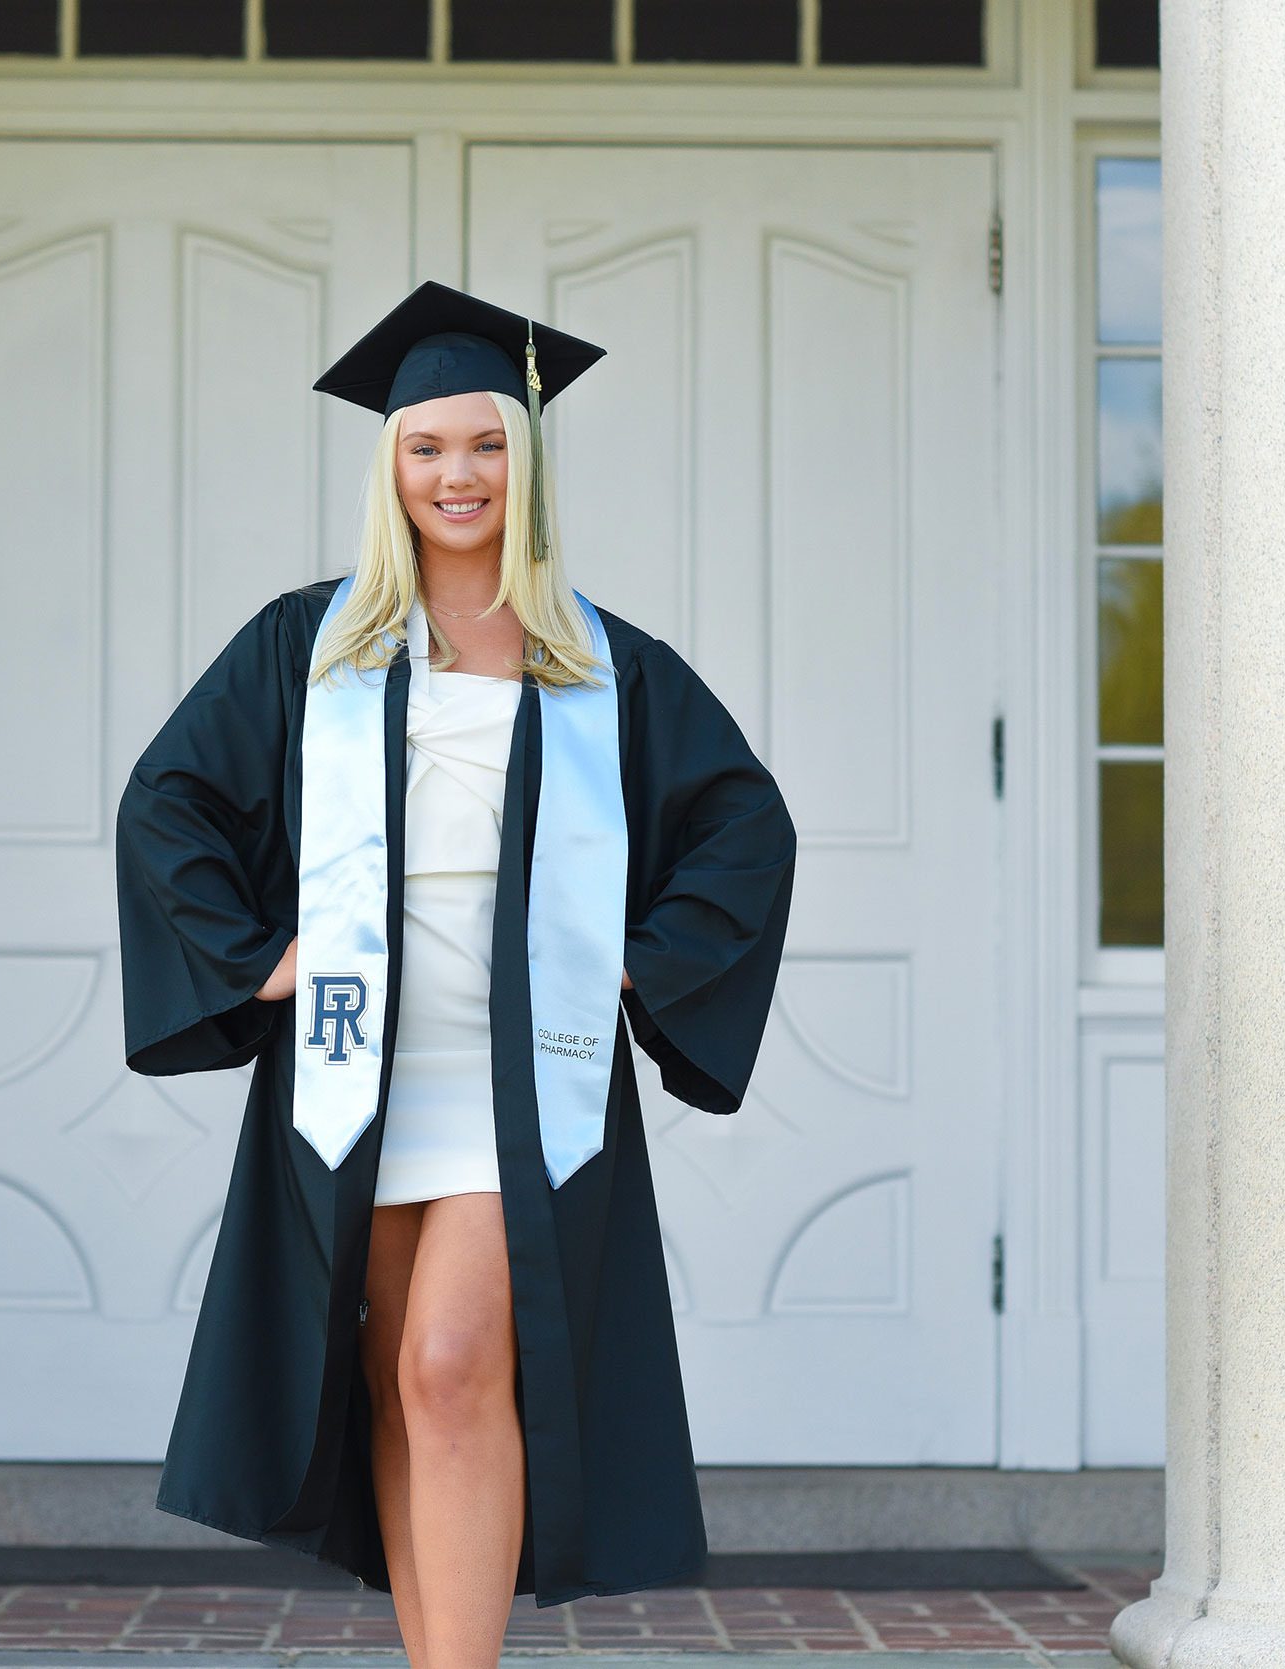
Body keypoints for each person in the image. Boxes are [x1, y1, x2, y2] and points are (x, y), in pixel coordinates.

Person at [113, 279, 797, 1663]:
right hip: (362, 1058)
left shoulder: (603, 666)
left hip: (520, 1074)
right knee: (389, 1379)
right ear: (392, 467)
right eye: (426, 449)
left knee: (452, 1362)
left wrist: (633, 966)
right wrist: (264, 960)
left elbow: (745, 826)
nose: (457, 475)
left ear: (525, 459)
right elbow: (166, 803)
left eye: (484, 443)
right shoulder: (312, 647)